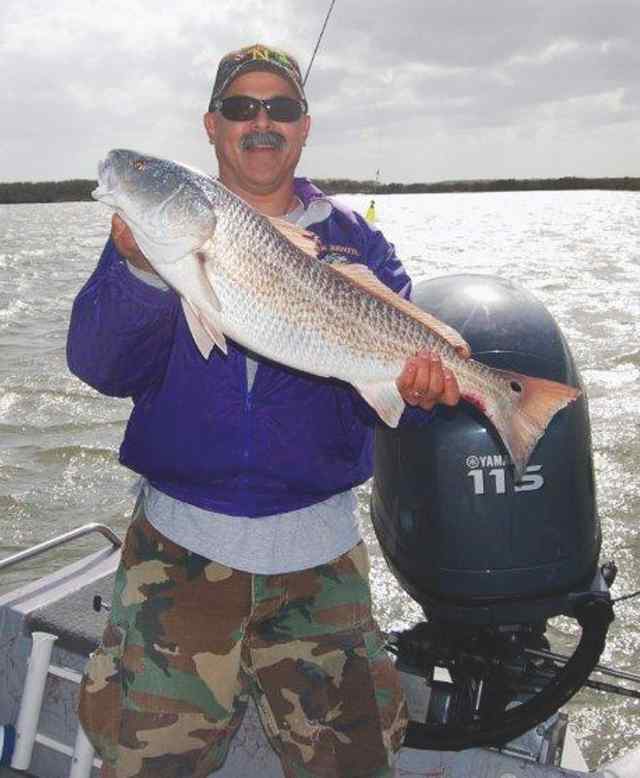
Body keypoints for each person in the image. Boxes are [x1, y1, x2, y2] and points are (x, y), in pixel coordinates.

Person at [68, 43, 462, 778]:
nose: (261, 122)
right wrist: (138, 273)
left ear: (304, 127)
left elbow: (402, 405)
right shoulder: (148, 239)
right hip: (177, 558)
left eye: (279, 108)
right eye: (241, 108)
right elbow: (99, 365)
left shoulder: (354, 240)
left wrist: (428, 395)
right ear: (211, 126)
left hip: (321, 562)